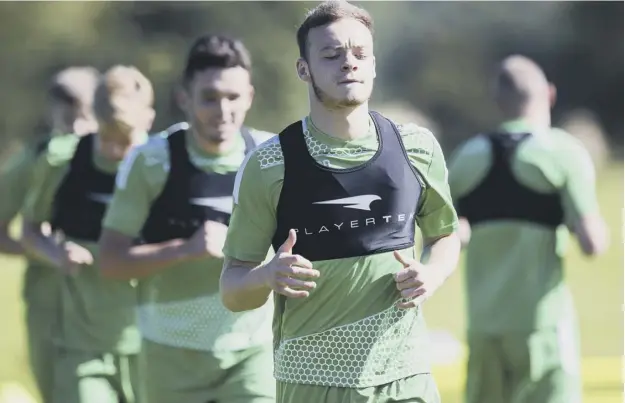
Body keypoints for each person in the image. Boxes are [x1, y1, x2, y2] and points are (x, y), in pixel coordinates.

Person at [219, 2, 461, 403]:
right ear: (304, 69)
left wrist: (431, 275)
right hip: (313, 382)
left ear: (373, 65)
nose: (348, 63)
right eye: (331, 55)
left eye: (359, 54)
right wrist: (267, 276)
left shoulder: (416, 147)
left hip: (405, 376)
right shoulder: (269, 164)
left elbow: (445, 236)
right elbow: (232, 289)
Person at [98, 35, 276, 403]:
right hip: (169, 357)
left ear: (250, 97)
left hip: (251, 353)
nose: (222, 110)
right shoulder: (151, 161)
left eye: (233, 97)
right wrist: (185, 249)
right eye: (209, 97)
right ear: (184, 98)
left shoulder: (270, 156)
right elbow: (111, 262)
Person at [447, 55, 610, 403]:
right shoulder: (563, 152)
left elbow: (444, 238)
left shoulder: (465, 157)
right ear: (549, 94)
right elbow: (592, 244)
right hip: (543, 330)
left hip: (483, 327)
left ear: (499, 102)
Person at [20, 65, 155, 403]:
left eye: (125, 140)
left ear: (149, 121)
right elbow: (30, 230)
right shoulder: (62, 161)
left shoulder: (162, 167)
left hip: (151, 346)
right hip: (81, 345)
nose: (113, 151)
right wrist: (56, 254)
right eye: (105, 136)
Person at [0, 66, 100, 403]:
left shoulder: (129, 157)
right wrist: (43, 249)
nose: (76, 130)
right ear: (52, 112)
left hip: (111, 304)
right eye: (67, 119)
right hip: (50, 307)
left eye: (85, 119)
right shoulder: (33, 160)